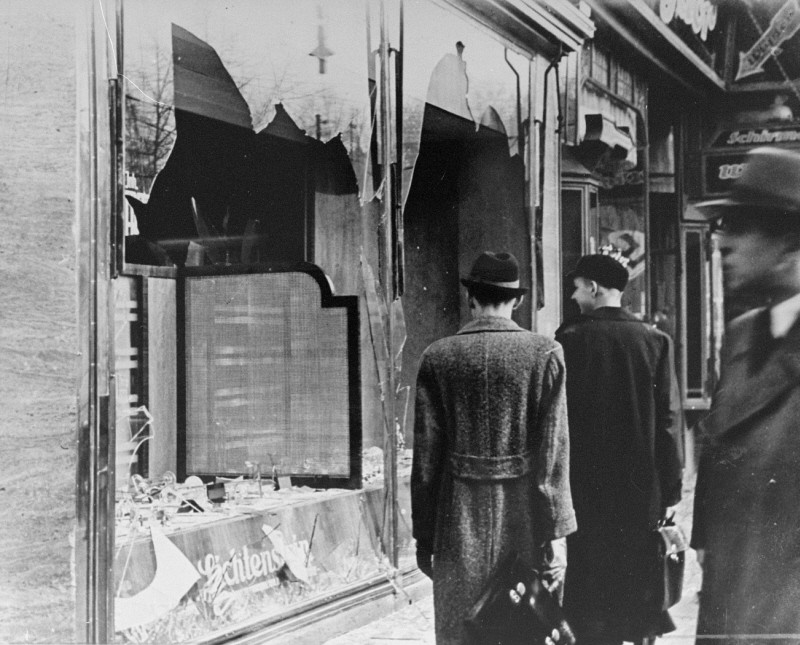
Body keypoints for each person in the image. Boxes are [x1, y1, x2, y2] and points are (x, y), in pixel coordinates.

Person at [412, 251, 577, 645]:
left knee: (461, 629)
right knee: (522, 626)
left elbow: (426, 460)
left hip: (457, 517)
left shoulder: (438, 356)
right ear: (516, 300)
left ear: (472, 298)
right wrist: (557, 532)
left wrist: (424, 535)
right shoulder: (544, 354)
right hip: (522, 518)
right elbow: (553, 453)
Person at [692, 146, 800, 643]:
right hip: (732, 609)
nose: (723, 245)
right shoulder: (742, 335)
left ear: (788, 244)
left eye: (740, 228)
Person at [555, 251, 684, 645]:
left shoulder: (569, 340)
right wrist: (672, 488)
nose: (575, 297)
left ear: (593, 288)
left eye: (577, 288)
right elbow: (669, 422)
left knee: (591, 583)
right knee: (638, 577)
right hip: (641, 487)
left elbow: (558, 424)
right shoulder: (655, 341)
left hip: (586, 488)